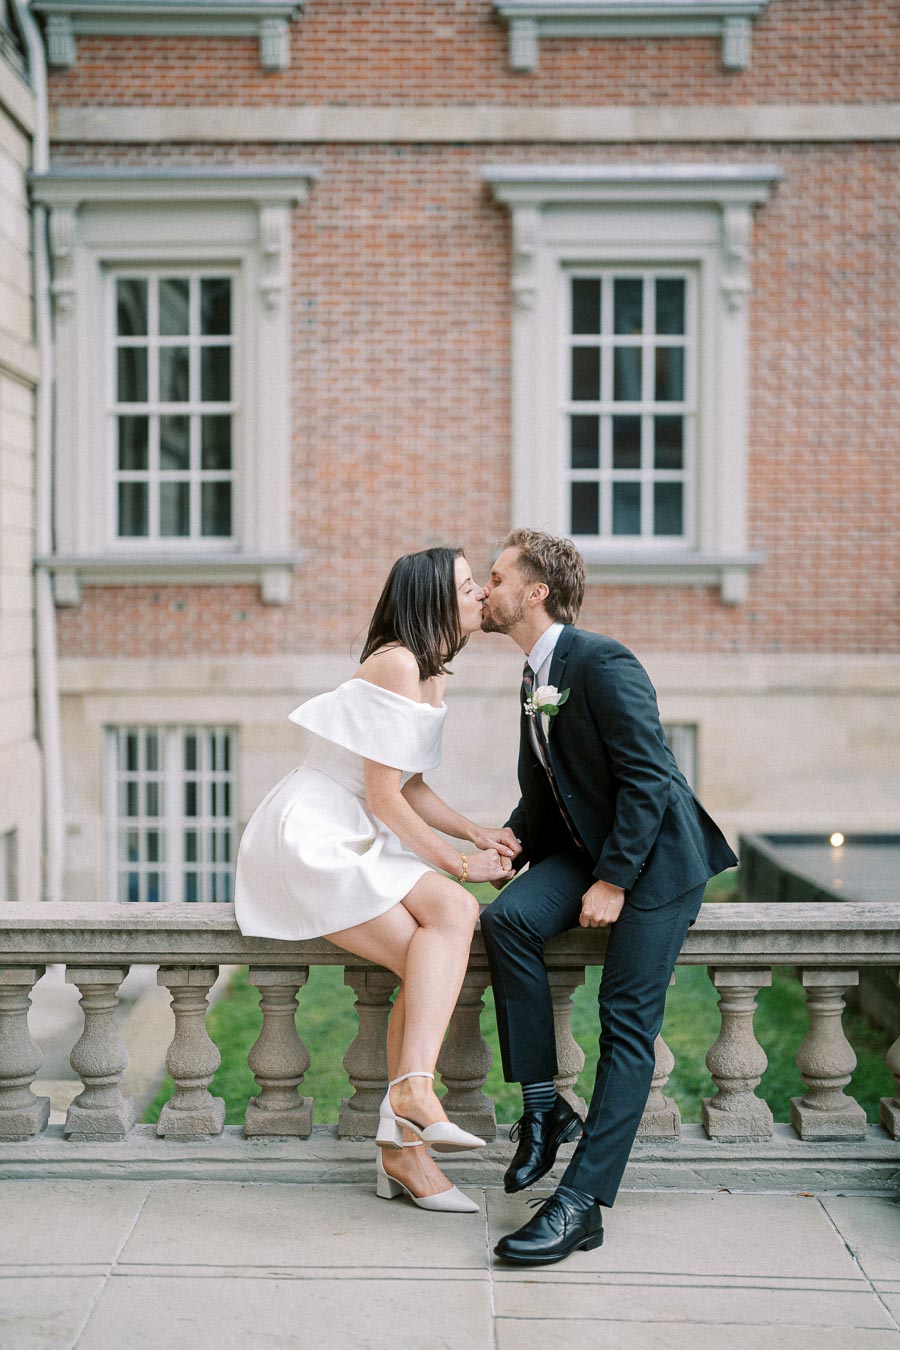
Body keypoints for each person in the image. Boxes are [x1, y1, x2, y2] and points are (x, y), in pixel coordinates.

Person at [479, 528, 738, 1265]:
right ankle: (542, 1108)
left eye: (496, 578)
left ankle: (582, 1203)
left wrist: (616, 880)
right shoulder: (534, 675)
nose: (484, 591)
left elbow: (649, 778)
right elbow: (546, 791)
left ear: (535, 592)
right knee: (509, 922)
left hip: (655, 861)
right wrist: (509, 845)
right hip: (586, 850)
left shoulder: (602, 661)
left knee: (625, 1022)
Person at [235, 547, 514, 1213]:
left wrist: (476, 832)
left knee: (447, 919)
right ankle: (407, 1126)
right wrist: (460, 865)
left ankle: (407, 1119)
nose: (480, 594)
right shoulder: (395, 662)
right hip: (313, 831)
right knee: (446, 917)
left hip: (355, 825)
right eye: (469, 585)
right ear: (431, 600)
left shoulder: (431, 673)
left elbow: (412, 783)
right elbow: (384, 797)